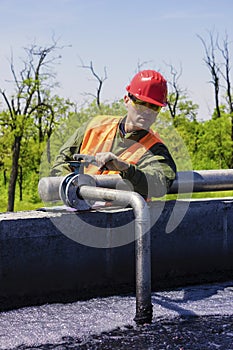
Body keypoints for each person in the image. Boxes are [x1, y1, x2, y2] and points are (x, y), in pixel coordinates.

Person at [51, 69, 177, 199]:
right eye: (141, 104)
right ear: (127, 100)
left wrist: (126, 169)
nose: (147, 111)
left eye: (154, 107)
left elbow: (161, 183)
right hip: (82, 209)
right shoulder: (94, 126)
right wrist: (74, 188)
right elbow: (62, 162)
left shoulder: (155, 147)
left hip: (125, 215)